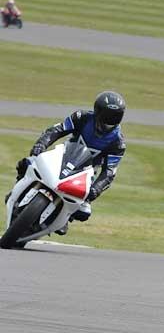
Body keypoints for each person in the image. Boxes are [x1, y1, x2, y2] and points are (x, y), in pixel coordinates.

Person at [12, 91, 127, 235]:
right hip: (62, 155)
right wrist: (41, 144)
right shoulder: (82, 117)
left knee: (84, 211)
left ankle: (65, 217)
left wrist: (96, 189)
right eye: (107, 115)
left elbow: (109, 172)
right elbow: (57, 130)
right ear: (97, 110)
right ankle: (18, 189)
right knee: (27, 163)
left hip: (86, 173)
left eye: (115, 116)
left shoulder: (118, 142)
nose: (110, 120)